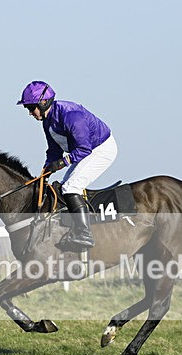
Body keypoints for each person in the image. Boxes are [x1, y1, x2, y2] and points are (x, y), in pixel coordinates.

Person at [17, 81, 117, 251]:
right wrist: (45, 171)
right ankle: (74, 227)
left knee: (71, 187)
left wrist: (63, 162)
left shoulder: (71, 116)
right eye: (28, 108)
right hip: (85, 152)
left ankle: (84, 233)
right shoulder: (47, 122)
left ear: (43, 102)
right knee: (63, 188)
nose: (30, 113)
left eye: (31, 108)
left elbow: (84, 149)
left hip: (100, 149)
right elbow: (54, 151)